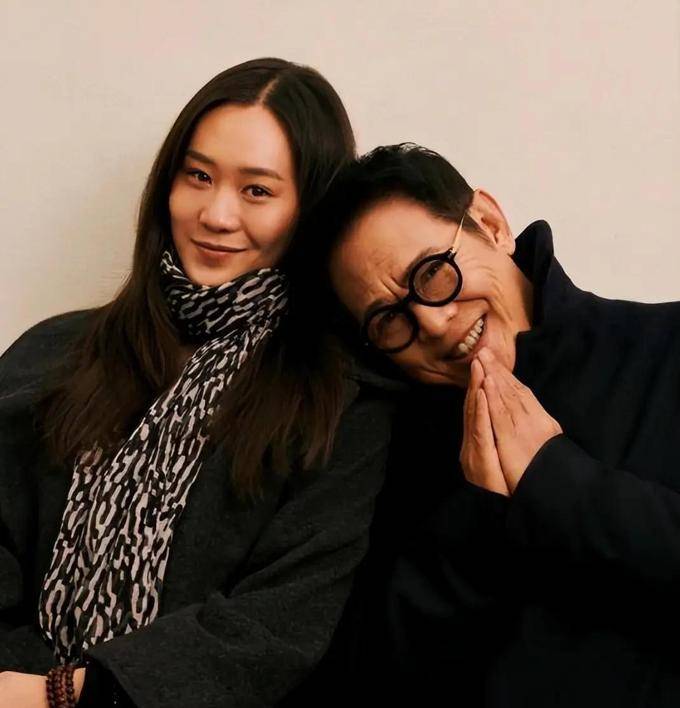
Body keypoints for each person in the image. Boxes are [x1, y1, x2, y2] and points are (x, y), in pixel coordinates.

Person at [0, 59, 394, 708]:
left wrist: (68, 696)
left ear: (310, 210)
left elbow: (279, 625)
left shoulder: (341, 400)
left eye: (257, 190)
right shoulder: (55, 352)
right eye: (199, 176)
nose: (216, 214)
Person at [302, 142, 680, 707]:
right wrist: (478, 519)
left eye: (433, 272)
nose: (432, 322)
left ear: (491, 223)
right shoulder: (389, 454)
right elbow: (371, 678)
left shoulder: (665, 347)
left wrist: (552, 482)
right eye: (389, 321)